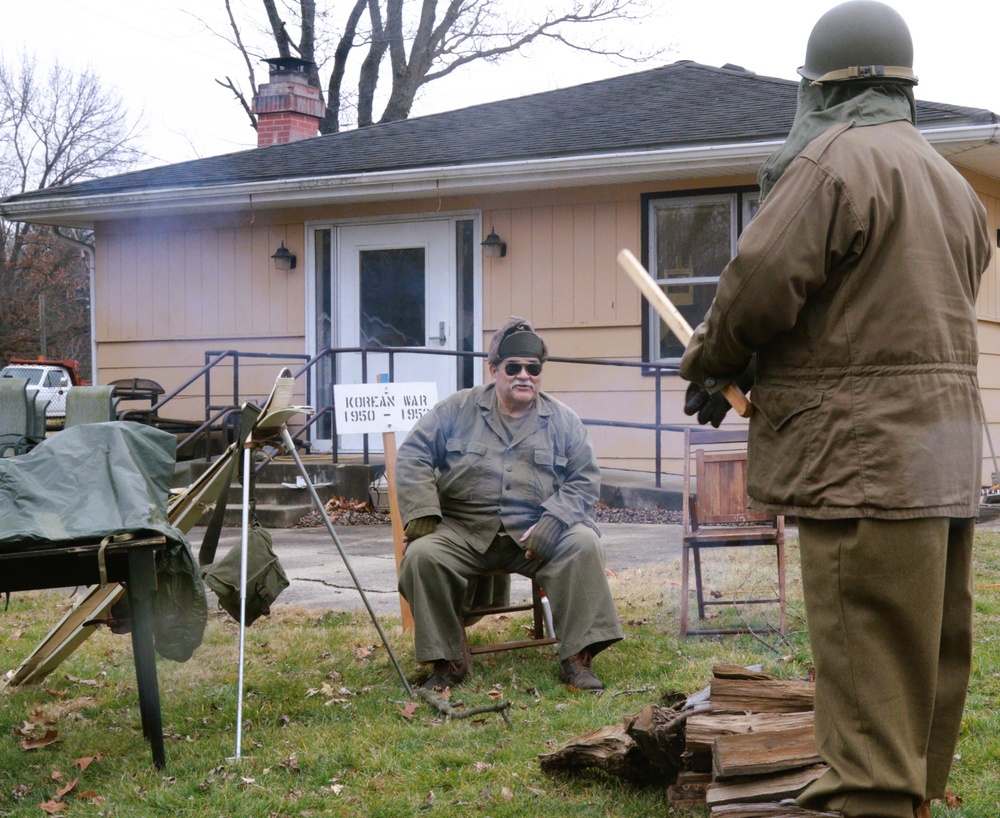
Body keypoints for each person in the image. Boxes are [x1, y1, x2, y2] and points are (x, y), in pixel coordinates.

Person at [678, 2, 993, 817]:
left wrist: (713, 360)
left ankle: (873, 806)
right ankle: (910, 798)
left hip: (862, 462)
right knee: (924, 661)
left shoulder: (832, 164)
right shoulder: (954, 186)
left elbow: (757, 285)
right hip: (946, 454)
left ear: (821, 86)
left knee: (864, 674)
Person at [396, 316, 623, 692]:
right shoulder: (456, 410)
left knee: (584, 545)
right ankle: (448, 661)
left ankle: (577, 659)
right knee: (422, 557)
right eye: (513, 367)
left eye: (533, 369)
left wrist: (555, 520)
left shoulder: (563, 421)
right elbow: (412, 455)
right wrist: (422, 509)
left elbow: (584, 479)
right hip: (464, 531)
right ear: (494, 369)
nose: (524, 376)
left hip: (534, 535)